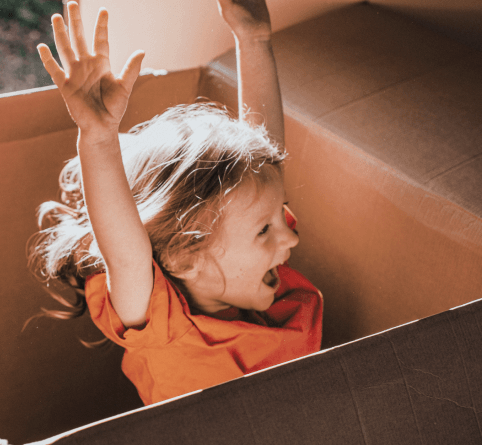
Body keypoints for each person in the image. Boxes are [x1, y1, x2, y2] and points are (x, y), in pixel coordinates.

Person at [30, 0, 322, 405]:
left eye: (277, 219)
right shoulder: (161, 322)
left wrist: (253, 40)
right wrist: (97, 137)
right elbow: (126, 254)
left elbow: (266, 159)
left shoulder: (248, 267)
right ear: (187, 257)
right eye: (264, 229)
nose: (288, 238)